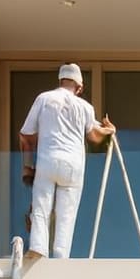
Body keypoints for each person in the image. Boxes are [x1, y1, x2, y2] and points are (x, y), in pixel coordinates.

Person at [19, 63, 116, 260]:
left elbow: (26, 135)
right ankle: (62, 256)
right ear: (79, 87)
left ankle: (38, 247)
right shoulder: (85, 107)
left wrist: (28, 167)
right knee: (66, 215)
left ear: (61, 81)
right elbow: (95, 136)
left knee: (41, 205)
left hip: (47, 161)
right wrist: (110, 130)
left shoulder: (44, 99)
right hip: (73, 167)